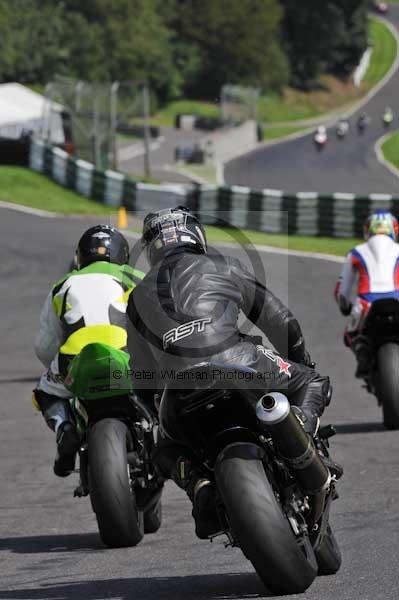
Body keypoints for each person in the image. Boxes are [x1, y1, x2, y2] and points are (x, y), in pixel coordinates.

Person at [127, 206, 335, 538]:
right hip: (239, 363)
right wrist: (300, 362)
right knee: (312, 381)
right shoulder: (222, 265)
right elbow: (283, 324)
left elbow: (139, 377)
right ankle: (299, 427)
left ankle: (199, 484)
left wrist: (157, 414)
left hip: (179, 391)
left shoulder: (136, 298)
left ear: (151, 248)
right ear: (196, 234)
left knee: (162, 448)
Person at [33, 224, 144, 477]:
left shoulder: (62, 285)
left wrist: (61, 372)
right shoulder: (136, 276)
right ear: (123, 255)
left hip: (76, 357)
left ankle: (64, 429)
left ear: (80, 256)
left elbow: (44, 347)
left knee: (45, 392)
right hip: (126, 355)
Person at [334, 211, 399, 378]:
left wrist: (345, 307)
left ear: (368, 230)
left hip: (366, 304)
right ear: (394, 230)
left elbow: (342, 291)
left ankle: (363, 354)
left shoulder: (356, 252)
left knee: (349, 336)